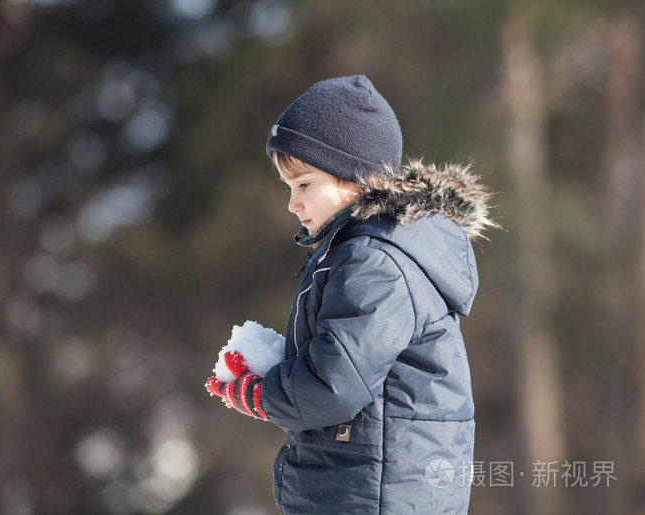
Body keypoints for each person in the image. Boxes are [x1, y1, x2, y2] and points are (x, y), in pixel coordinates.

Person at [206, 75, 496, 514]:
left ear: (356, 180)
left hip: (376, 493)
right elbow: (350, 357)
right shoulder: (362, 253)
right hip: (367, 485)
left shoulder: (377, 263)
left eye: (304, 185)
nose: (292, 203)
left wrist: (262, 393)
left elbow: (336, 382)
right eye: (288, 188)